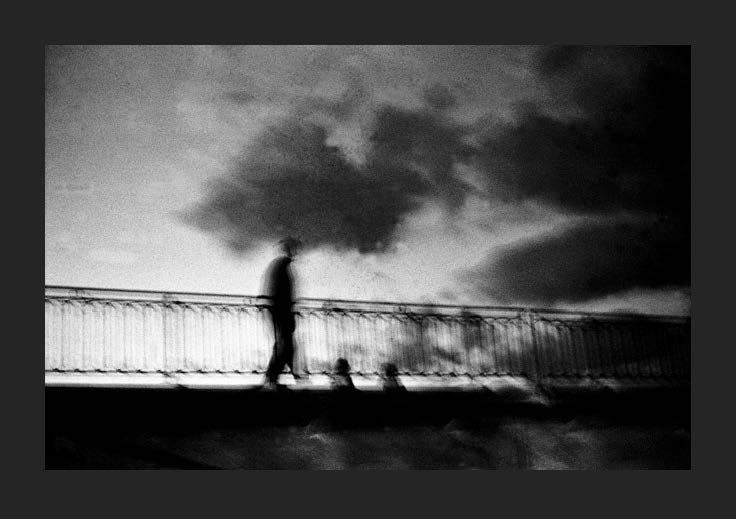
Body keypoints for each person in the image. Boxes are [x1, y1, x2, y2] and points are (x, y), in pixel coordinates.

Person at [262, 237, 302, 388]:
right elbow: (281, 292)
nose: (296, 253)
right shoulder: (281, 266)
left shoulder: (279, 265)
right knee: (285, 345)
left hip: (279, 311)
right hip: (281, 311)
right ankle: (274, 377)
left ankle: (275, 377)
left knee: (284, 345)